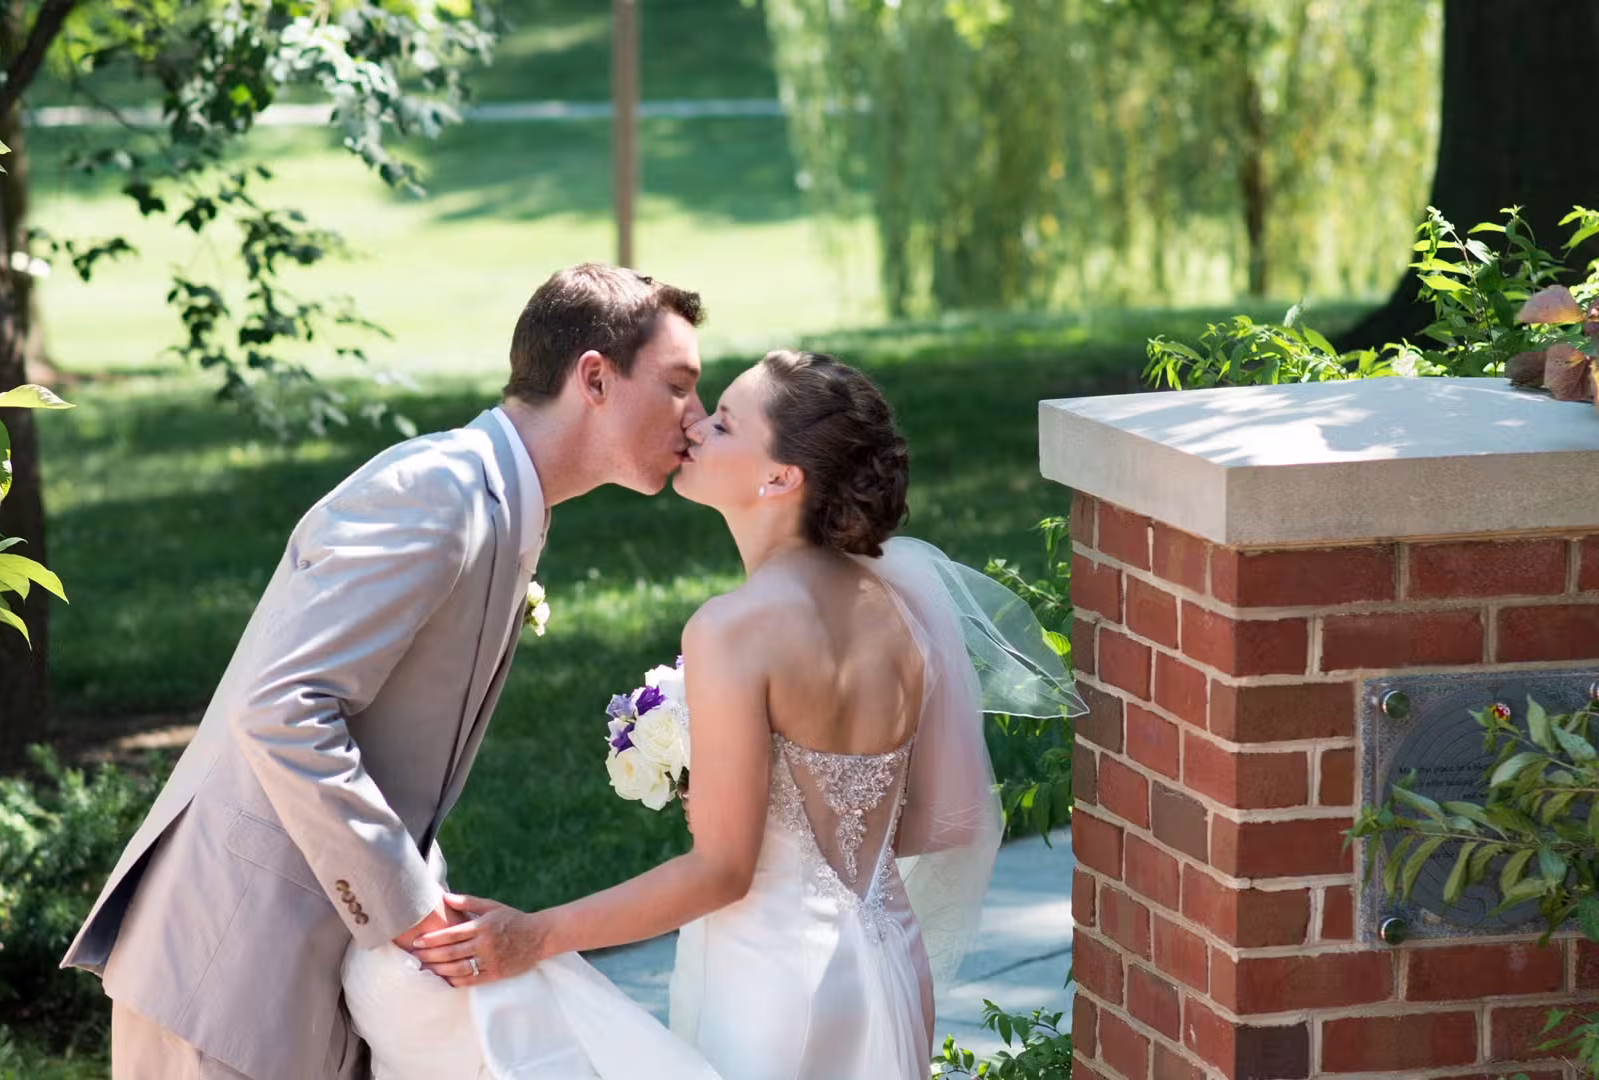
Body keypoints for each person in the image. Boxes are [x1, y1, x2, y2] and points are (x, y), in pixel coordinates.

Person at [60, 263, 709, 1080]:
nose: (699, 417)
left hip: (310, 970)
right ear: (594, 379)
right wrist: (411, 912)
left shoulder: (505, 506)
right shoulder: (439, 493)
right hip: (229, 967)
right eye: (679, 386)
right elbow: (284, 707)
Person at [399, 350, 1085, 1078]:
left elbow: (721, 872)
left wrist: (535, 935)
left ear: (780, 477)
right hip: (886, 958)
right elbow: (933, 820)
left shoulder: (734, 629)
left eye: (724, 423)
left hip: (773, 981)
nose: (694, 426)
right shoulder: (901, 608)